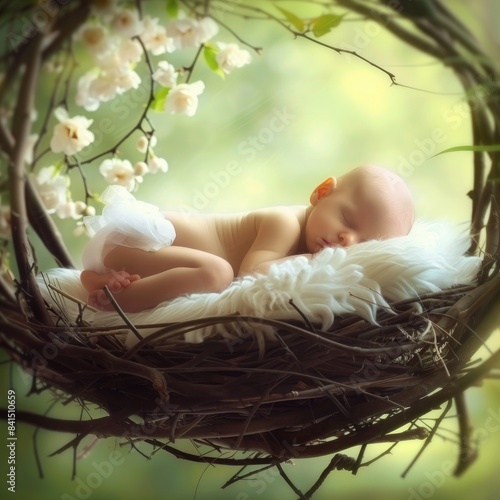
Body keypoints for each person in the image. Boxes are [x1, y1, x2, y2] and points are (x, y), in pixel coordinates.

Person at [80, 165, 414, 312]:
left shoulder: (313, 236)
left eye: (363, 242)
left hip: (147, 257)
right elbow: (254, 273)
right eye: (347, 220)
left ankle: (101, 279)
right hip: (141, 239)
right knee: (218, 273)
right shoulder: (285, 222)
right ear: (321, 192)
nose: (347, 240)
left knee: (212, 271)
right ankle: (116, 301)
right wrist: (316, 260)